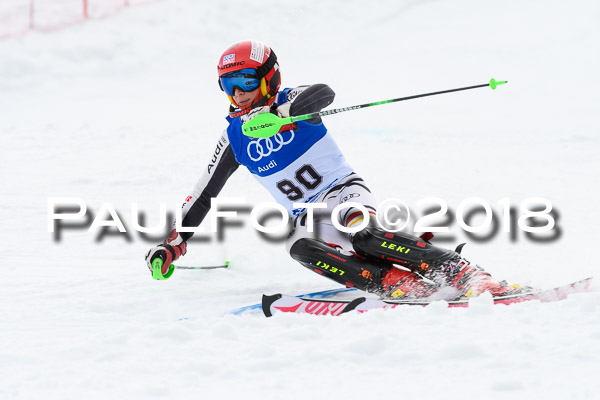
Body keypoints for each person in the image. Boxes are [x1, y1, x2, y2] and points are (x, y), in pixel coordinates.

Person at [145, 40, 522, 299]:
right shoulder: (233, 138)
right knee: (300, 248)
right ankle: (397, 285)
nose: (238, 93)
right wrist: (174, 244)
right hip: (310, 217)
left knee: (364, 236)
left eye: (246, 81)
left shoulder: (289, 101)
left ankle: (465, 274)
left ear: (268, 78)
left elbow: (321, 93)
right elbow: (204, 193)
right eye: (229, 85)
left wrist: (280, 114)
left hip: (344, 193)